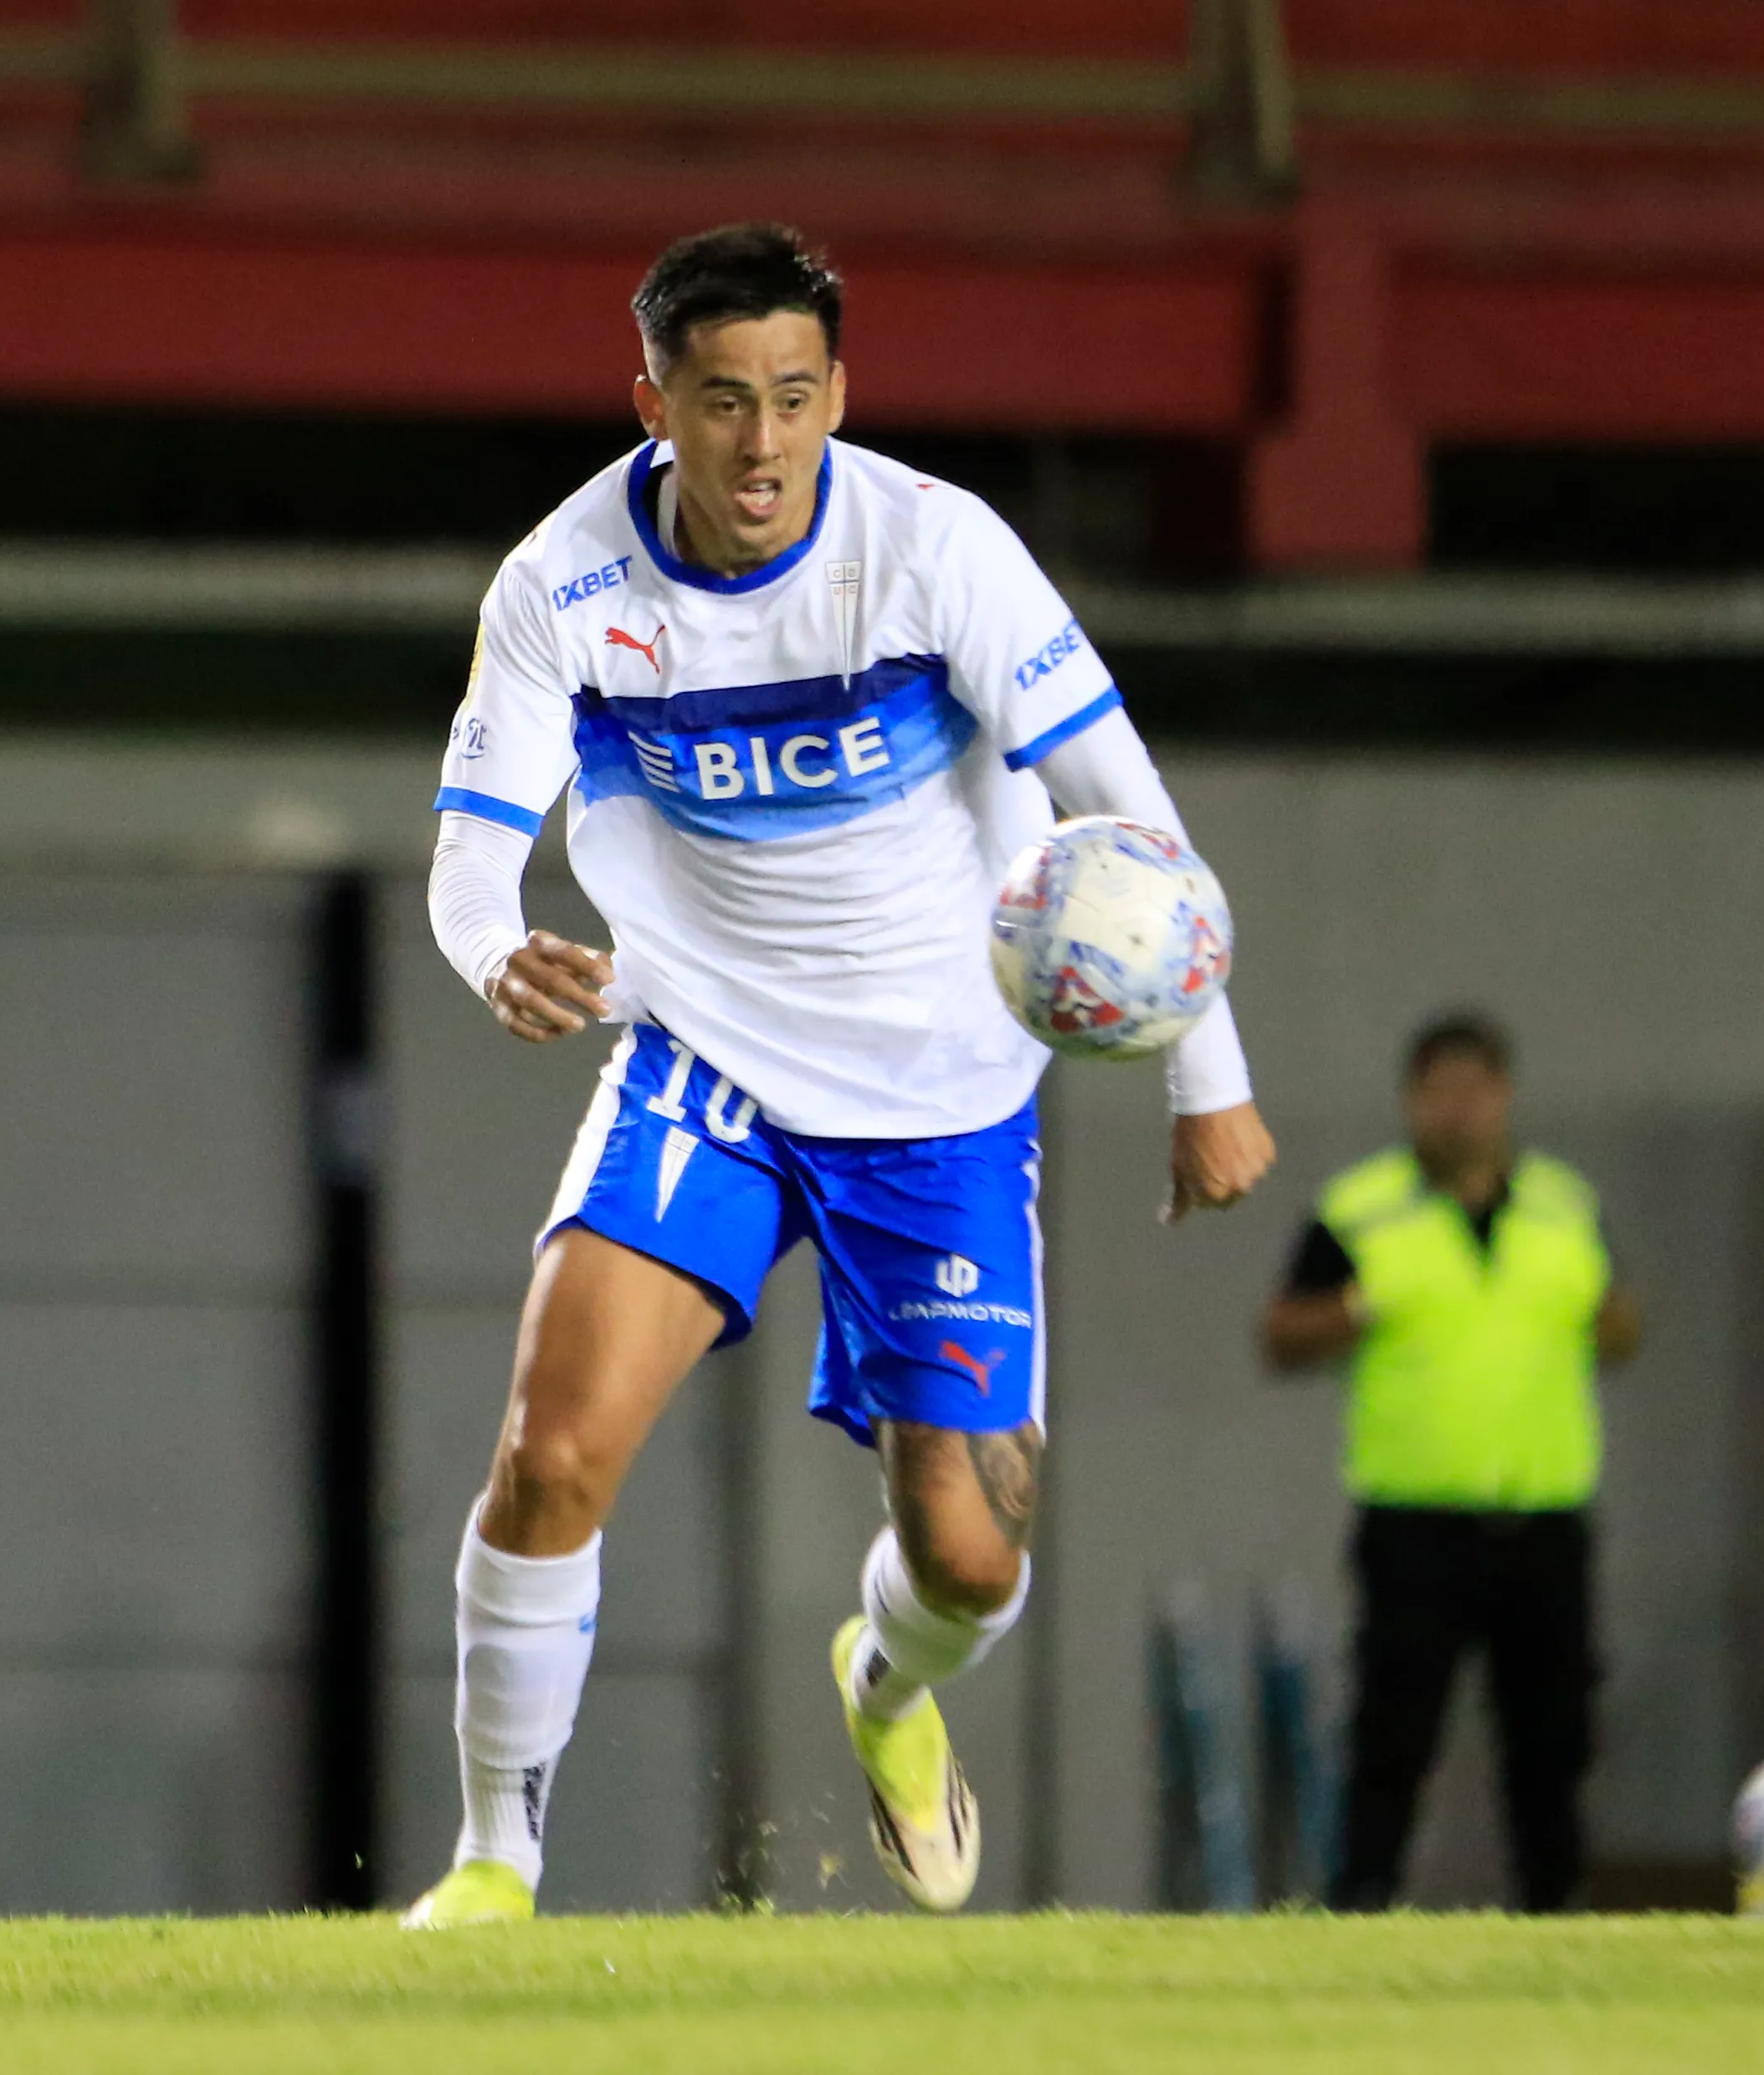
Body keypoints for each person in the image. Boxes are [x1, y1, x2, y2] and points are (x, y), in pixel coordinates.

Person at [406, 223, 1277, 1925]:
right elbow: (471, 848)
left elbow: (1120, 802)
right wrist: (487, 947)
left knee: (966, 1558)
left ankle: (883, 1690)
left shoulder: (934, 551)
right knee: (549, 1453)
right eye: (718, 400)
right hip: (704, 1061)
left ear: (838, 395)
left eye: (792, 399)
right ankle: (494, 1870)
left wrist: (1203, 1078)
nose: (757, 442)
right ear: (647, 398)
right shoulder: (563, 586)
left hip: (943, 1095)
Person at [1260, 1013, 1639, 1911]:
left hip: (1543, 1515)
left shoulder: (1562, 1203)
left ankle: (1555, 1911)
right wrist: (1357, 1306)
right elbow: (1281, 1332)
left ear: (1503, 1095)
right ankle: (1362, 1897)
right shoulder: (1360, 1208)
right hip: (1414, 1523)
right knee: (1392, 1734)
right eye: (1440, 1091)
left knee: (1551, 1738)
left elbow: (1620, 1323)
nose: (1460, 1112)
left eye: (1476, 1090)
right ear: (1411, 1099)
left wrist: (1603, 1317)